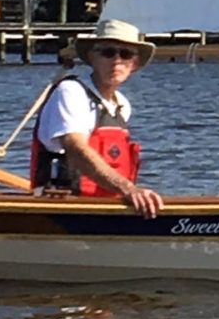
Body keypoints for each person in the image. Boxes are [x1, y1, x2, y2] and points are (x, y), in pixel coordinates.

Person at [30, 17, 164, 217]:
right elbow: (76, 149)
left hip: (105, 206)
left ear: (134, 64)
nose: (117, 61)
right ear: (93, 57)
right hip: (64, 206)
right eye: (108, 52)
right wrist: (128, 189)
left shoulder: (122, 105)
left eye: (126, 54)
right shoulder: (71, 91)